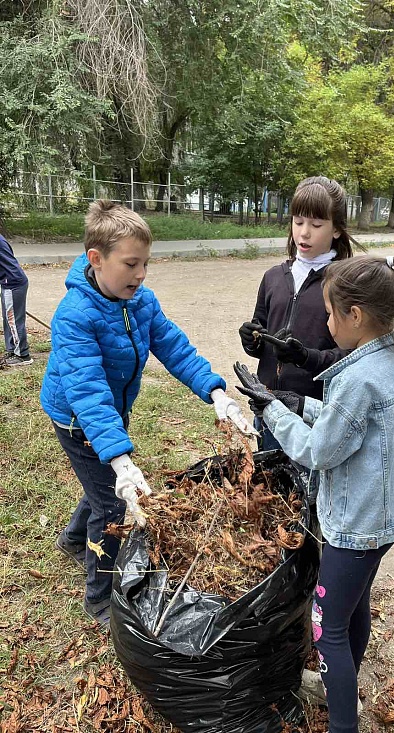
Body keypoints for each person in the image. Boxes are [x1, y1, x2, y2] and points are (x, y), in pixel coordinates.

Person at [40, 200, 256, 628]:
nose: (140, 275)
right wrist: (119, 455)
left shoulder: (140, 301)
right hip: (79, 419)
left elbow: (172, 346)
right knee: (113, 507)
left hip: (111, 413)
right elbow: (87, 393)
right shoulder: (75, 315)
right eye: (131, 264)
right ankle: (99, 599)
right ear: (96, 260)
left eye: (145, 264)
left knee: (103, 486)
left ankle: (70, 540)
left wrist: (214, 392)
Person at [234, 255, 394, 733]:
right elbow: (352, 426)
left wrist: (273, 407)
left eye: (330, 314)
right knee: (351, 606)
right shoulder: (390, 356)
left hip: (355, 523)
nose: (326, 323)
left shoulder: (360, 378)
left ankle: (343, 723)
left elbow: (317, 450)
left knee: (326, 624)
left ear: (355, 316)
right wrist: (302, 403)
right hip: (382, 519)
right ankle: (343, 686)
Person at [238, 176, 355, 456]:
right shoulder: (273, 278)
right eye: (298, 221)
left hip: (313, 415)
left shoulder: (345, 283)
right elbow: (262, 332)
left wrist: (305, 357)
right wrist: (252, 341)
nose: (304, 233)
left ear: (337, 229)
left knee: (308, 496)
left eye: (316, 225)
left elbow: (351, 358)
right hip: (268, 406)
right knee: (271, 492)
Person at [0, 233, 33, 366]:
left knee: (13, 320)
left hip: (12, 283)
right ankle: (13, 350)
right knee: (8, 319)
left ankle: (23, 355)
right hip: (8, 282)